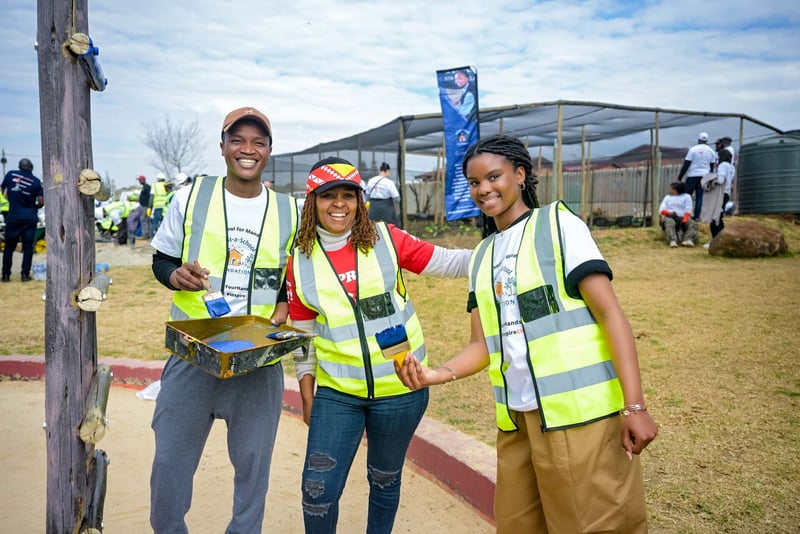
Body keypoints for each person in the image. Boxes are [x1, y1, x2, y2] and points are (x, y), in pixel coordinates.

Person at [396, 135, 658, 533]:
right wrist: (436, 374)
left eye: (494, 176)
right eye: (474, 182)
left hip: (580, 418)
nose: (484, 189)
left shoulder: (557, 225)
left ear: (520, 175)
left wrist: (634, 406)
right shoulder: (483, 255)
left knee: (592, 525)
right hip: (517, 422)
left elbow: (610, 314)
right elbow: (482, 344)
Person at [286, 156, 471, 534]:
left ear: (360, 199)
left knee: (385, 481)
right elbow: (303, 338)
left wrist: (506, 253)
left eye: (348, 195)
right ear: (312, 203)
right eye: (328, 196)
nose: (339, 204)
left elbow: (452, 262)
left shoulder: (387, 239)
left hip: (402, 388)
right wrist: (308, 394)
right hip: (338, 395)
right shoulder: (299, 261)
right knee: (317, 491)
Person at [148, 106, 299, 534]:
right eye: (238, 140)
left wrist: (287, 304)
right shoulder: (191, 196)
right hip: (194, 354)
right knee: (170, 462)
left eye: (258, 142)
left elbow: (296, 278)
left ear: (269, 151)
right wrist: (174, 275)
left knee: (253, 469)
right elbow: (162, 259)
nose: (247, 150)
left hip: (258, 359)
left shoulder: (290, 211)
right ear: (223, 147)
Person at [2, 158, 44, 282]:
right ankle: (25, 275)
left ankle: (5, 275)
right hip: (29, 217)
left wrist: (9, 201)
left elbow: (1, 190)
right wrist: (33, 206)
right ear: (31, 167)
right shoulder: (36, 182)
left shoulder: (10, 175)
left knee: (9, 247)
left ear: (20, 166)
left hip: (13, 216)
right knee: (28, 247)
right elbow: (41, 201)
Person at [677, 132, 717, 220]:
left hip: (693, 175)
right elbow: (712, 166)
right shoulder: (711, 151)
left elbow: (686, 164)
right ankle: (697, 217)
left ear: (698, 140)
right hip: (704, 176)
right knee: (700, 196)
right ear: (707, 140)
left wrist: (680, 177)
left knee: (687, 195)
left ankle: (685, 215)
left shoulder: (693, 149)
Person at [704, 149, 735, 243]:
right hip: (726, 193)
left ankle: (715, 241)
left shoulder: (722, 165)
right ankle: (722, 239)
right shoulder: (731, 167)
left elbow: (720, 180)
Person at [659, 182, 698, 247]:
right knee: (670, 222)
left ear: (676, 190)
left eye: (671, 189)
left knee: (693, 223)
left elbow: (688, 210)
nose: (669, 190)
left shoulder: (687, 197)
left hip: (683, 217)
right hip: (670, 216)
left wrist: (684, 221)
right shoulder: (667, 197)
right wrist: (669, 213)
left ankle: (687, 239)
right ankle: (672, 240)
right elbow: (661, 210)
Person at [365, 162, 400, 226]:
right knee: (390, 226)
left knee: (372, 225)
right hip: (386, 208)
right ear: (387, 171)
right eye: (389, 172)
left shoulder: (371, 181)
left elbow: (367, 196)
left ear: (380, 170)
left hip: (373, 208)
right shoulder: (389, 183)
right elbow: (396, 198)